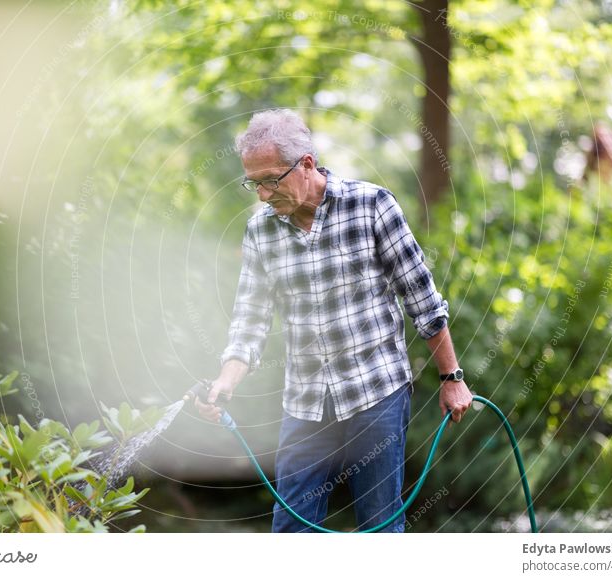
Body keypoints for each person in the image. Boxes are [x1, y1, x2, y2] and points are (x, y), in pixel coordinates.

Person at [194, 108, 473, 533]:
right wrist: (225, 382)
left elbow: (422, 299)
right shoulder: (259, 232)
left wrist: (451, 377)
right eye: (254, 183)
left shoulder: (372, 205)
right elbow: (249, 322)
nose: (264, 195)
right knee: (291, 530)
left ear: (306, 164)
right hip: (305, 402)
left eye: (271, 179)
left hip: (376, 392)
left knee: (379, 527)